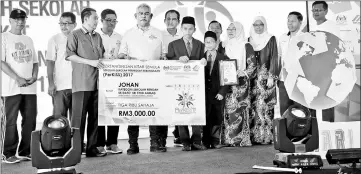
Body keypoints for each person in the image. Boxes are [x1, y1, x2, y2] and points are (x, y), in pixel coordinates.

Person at [118, 3, 166, 154]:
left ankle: (154, 143)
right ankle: (133, 144)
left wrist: (164, 60)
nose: (144, 16)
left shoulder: (159, 33)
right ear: (135, 16)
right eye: (141, 13)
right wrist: (125, 57)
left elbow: (164, 55)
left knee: (153, 111)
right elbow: (120, 55)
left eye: (146, 13)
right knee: (134, 112)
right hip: (134, 79)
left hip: (154, 78)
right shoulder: (128, 33)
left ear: (151, 16)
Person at [65, 7, 107, 158]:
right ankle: (75, 150)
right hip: (82, 83)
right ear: (86, 19)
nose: (97, 21)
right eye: (95, 18)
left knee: (95, 118)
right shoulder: (74, 34)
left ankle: (92, 148)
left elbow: (101, 57)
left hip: (98, 83)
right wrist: (91, 62)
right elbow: (70, 55)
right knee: (78, 119)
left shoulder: (98, 37)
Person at [1, 9, 38, 163]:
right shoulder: (3, 37)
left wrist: (35, 75)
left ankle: (25, 151)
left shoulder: (28, 39)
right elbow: (1, 62)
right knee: (10, 120)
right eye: (16, 19)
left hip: (29, 88)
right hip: (10, 88)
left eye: (22, 19)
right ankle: (8, 153)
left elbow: (35, 61)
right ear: (10, 20)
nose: (20, 22)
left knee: (30, 120)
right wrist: (17, 78)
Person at [167, 16, 207, 151]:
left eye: (190, 29)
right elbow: (169, 61)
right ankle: (185, 142)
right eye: (185, 28)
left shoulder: (200, 44)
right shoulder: (173, 44)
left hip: (196, 84)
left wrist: (203, 60)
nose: (188, 31)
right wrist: (178, 59)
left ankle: (196, 140)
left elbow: (204, 59)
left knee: (196, 111)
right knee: (180, 112)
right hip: (178, 82)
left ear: (194, 29)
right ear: (181, 29)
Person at [223, 21, 257, 147]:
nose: (230, 31)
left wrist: (243, 73)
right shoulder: (224, 45)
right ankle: (229, 139)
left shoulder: (246, 45)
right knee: (228, 110)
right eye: (229, 28)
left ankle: (242, 139)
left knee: (240, 110)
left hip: (241, 83)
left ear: (239, 30)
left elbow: (252, 64)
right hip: (227, 83)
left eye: (234, 29)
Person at [248, 16, 279, 145]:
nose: (258, 27)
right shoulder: (249, 39)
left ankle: (267, 136)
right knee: (253, 107)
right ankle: (254, 136)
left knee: (265, 107)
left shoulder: (270, 38)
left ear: (265, 25)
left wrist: (272, 75)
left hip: (266, 79)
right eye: (255, 25)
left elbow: (274, 57)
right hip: (252, 79)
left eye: (261, 24)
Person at [96, 9, 123, 154]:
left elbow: (124, 54)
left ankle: (112, 143)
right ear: (101, 20)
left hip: (116, 79)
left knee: (115, 111)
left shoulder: (120, 37)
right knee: (99, 111)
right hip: (99, 78)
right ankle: (99, 143)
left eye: (114, 20)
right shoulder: (95, 36)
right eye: (108, 20)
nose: (112, 23)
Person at [278, 12, 311, 116]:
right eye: (288, 20)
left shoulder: (306, 37)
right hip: (283, 80)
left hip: (299, 80)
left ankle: (302, 131)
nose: (289, 23)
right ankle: (284, 132)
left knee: (300, 111)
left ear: (300, 22)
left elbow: (309, 59)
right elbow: (279, 57)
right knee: (284, 110)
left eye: (293, 21)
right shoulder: (283, 37)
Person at [311, 1, 340, 122]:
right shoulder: (313, 27)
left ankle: (328, 130)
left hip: (327, 70)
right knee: (311, 99)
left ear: (326, 11)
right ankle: (313, 132)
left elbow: (336, 47)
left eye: (318, 10)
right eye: (313, 10)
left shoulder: (332, 27)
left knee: (326, 101)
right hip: (313, 69)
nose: (315, 13)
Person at [46, 12, 77, 120]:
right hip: (60, 87)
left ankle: (75, 138)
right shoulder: (54, 39)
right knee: (59, 120)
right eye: (61, 23)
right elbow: (50, 62)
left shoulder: (81, 39)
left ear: (75, 24)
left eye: (67, 23)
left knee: (76, 122)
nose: (64, 26)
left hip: (78, 86)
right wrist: (51, 84)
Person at [202, 31, 229, 149]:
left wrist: (222, 92)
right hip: (204, 93)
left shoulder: (223, 57)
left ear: (216, 42)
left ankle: (215, 140)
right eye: (207, 42)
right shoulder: (200, 58)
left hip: (217, 93)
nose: (209, 44)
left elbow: (227, 77)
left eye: (211, 42)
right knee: (205, 117)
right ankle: (205, 141)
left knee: (217, 117)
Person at [161, 9, 183, 147]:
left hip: (180, 77)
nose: (171, 21)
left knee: (180, 104)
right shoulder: (159, 36)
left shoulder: (184, 35)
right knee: (163, 107)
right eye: (168, 19)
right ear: (164, 21)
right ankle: (161, 139)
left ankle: (179, 135)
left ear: (178, 22)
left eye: (174, 19)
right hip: (163, 76)